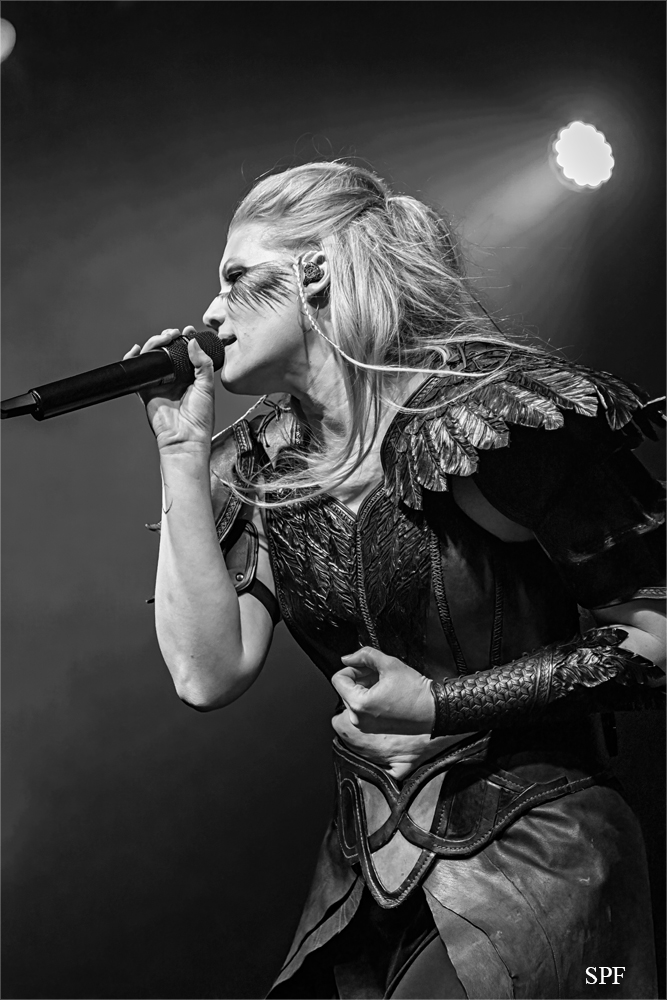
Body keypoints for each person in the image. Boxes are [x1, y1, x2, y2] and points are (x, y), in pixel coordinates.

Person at [126, 161, 665, 1000]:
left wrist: (442, 704)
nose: (211, 311)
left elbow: (657, 637)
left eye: (235, 276)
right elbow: (206, 673)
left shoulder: (491, 418)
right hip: (363, 880)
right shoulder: (261, 469)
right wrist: (179, 451)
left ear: (315, 272)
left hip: (541, 857)